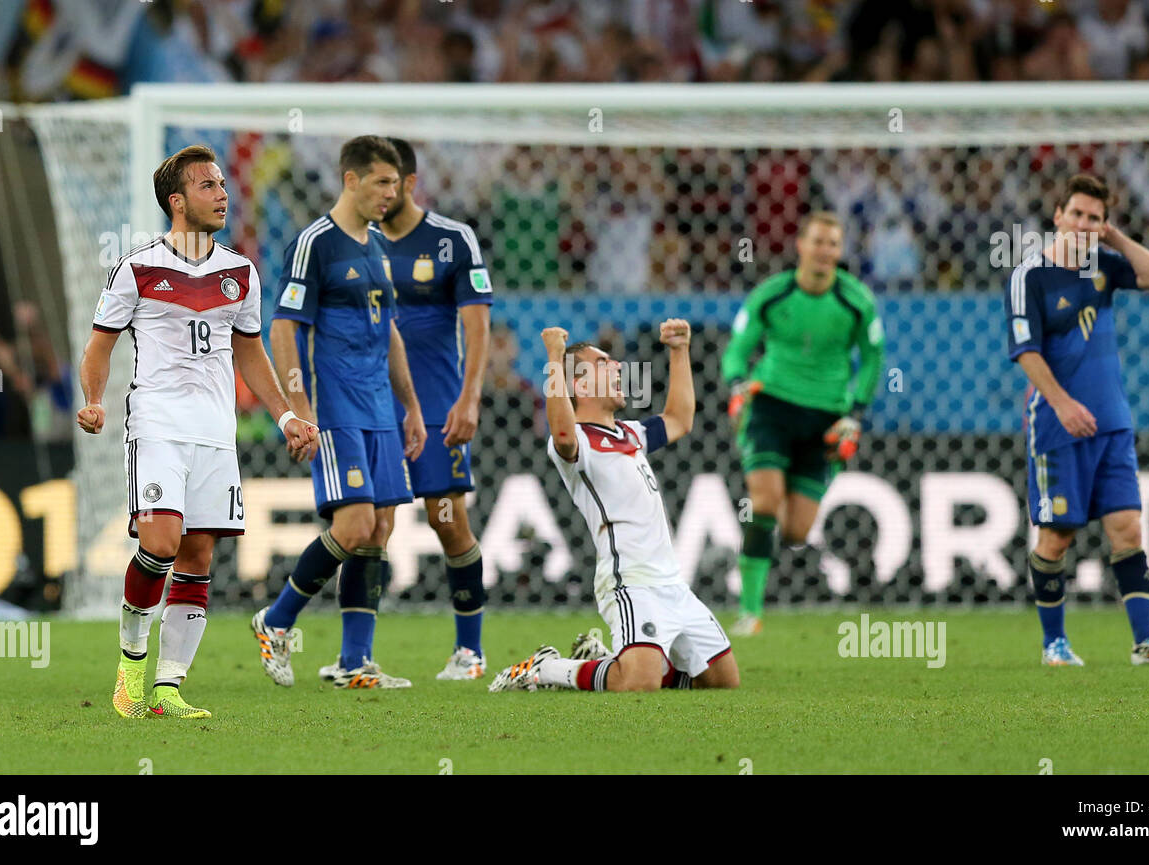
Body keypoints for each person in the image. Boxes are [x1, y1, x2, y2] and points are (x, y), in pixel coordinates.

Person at [78, 144, 316, 718]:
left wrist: (285, 415)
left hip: (215, 431)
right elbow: (99, 346)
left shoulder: (241, 272)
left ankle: (167, 690)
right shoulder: (136, 269)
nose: (222, 194)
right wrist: (92, 401)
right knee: (158, 543)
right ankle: (130, 673)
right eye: (208, 186)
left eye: (223, 184)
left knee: (198, 556)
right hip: (157, 422)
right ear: (177, 202)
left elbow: (250, 351)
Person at [253, 136, 426, 690]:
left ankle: (356, 662)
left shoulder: (377, 246)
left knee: (379, 526)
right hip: (336, 408)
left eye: (396, 185)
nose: (390, 195)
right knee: (352, 525)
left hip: (380, 409)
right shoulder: (315, 244)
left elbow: (391, 332)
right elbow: (284, 327)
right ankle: (274, 621)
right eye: (380, 182)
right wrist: (300, 409)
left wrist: (412, 409)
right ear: (350, 180)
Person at [1004, 173, 1149, 666]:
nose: (1085, 223)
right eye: (1078, 214)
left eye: (1095, 217)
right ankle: (1054, 644)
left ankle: (1146, 641)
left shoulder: (1105, 266)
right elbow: (1025, 352)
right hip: (1056, 425)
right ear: (1058, 216)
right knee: (1056, 536)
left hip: (1113, 422)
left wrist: (1113, 237)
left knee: (1128, 528)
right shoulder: (1030, 276)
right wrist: (1063, 404)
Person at [488, 320, 740, 693]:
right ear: (580, 385)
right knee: (638, 683)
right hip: (629, 581)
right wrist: (555, 357)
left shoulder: (630, 433)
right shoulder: (579, 442)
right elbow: (560, 432)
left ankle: (609, 660)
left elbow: (680, 419)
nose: (618, 366)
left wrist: (679, 351)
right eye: (604, 363)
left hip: (671, 582)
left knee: (722, 683)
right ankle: (548, 669)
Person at [721, 211, 884, 636]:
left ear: (839, 250)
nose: (825, 251)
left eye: (833, 243)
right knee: (764, 501)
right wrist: (738, 383)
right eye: (818, 241)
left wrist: (855, 414)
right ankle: (750, 612)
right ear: (801, 245)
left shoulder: (856, 301)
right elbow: (737, 349)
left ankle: (752, 570)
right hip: (771, 405)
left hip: (825, 416)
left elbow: (872, 358)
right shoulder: (772, 295)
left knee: (795, 530)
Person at [370, 137, 493, 681]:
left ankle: (470, 652)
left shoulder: (452, 239)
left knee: (447, 522)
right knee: (372, 527)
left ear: (410, 184)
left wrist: (470, 398)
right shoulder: (357, 243)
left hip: (441, 407)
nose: (380, 192)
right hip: (375, 408)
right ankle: (359, 657)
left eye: (388, 182)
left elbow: (477, 326)